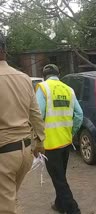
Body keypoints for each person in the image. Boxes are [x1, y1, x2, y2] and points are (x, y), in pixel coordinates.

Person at [0, 32, 45, 214]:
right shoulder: (24, 78)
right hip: (25, 152)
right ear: (5, 50)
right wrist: (40, 143)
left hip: (4, 154)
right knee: (10, 198)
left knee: (5, 207)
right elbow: (36, 115)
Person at [36, 64, 83, 214]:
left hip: (50, 145)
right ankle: (59, 205)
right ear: (59, 74)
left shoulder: (43, 88)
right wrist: (70, 132)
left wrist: (37, 139)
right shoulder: (69, 90)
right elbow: (79, 115)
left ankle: (73, 210)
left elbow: (37, 116)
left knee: (59, 180)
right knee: (60, 176)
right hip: (65, 142)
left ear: (44, 76)